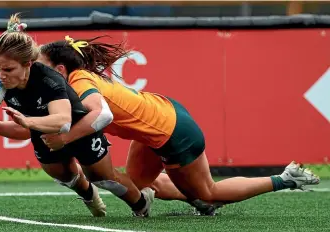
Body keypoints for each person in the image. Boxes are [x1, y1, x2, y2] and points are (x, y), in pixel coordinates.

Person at [36, 35, 320, 214]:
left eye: (42, 66)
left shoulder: (79, 80)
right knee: (137, 186)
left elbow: (102, 116)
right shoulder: (75, 79)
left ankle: (286, 179)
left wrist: (65, 139)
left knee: (209, 194)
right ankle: (191, 195)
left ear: (61, 69)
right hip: (159, 122)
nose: (37, 72)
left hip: (173, 132)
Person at [0, 14, 155, 218]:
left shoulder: (48, 81)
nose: (2, 75)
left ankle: (141, 204)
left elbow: (63, 120)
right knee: (64, 175)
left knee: (104, 178)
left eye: (8, 69)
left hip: (78, 129)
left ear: (28, 65)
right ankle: (88, 195)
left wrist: (27, 122)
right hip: (42, 131)